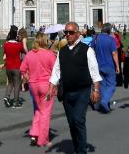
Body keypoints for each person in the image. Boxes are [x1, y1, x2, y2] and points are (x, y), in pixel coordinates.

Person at [46, 22, 102, 154]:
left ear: (77, 34)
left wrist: (96, 90)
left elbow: (95, 72)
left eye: (71, 32)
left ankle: (81, 151)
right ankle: (78, 147)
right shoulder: (62, 51)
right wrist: (50, 88)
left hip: (82, 91)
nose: (68, 35)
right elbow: (56, 71)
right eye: (66, 32)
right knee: (72, 123)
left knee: (78, 120)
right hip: (66, 92)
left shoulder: (87, 50)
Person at [20, 33, 57, 148]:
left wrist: (27, 78)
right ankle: (43, 139)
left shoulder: (30, 54)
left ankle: (35, 132)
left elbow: (22, 69)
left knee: (38, 110)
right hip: (46, 84)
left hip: (33, 84)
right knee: (45, 112)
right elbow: (56, 71)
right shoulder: (50, 54)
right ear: (45, 42)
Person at [91, 23, 119, 113]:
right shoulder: (111, 39)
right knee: (112, 85)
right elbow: (114, 53)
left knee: (102, 85)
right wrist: (117, 66)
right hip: (109, 65)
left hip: (98, 65)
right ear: (109, 30)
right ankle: (104, 101)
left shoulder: (95, 38)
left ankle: (102, 105)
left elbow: (91, 51)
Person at [3, 26, 25, 108]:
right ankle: (15, 102)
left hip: (8, 66)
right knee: (17, 84)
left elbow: (5, 53)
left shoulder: (6, 44)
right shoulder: (19, 45)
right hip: (16, 66)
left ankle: (7, 96)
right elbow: (23, 51)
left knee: (10, 83)